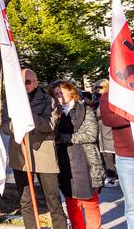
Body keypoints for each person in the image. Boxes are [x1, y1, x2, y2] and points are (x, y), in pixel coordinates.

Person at [0, 68, 68, 229]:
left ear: (36, 83)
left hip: (43, 154)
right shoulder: (9, 101)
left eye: (28, 82)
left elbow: (49, 125)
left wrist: (28, 114)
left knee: (52, 198)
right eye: (21, 82)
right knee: (25, 199)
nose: (24, 85)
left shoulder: (48, 100)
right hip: (20, 155)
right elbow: (4, 126)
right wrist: (14, 124)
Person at [49, 80, 103, 229]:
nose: (59, 96)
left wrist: (64, 138)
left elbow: (91, 135)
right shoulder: (54, 113)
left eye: (61, 92)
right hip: (64, 161)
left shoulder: (85, 110)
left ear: (71, 91)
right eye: (56, 94)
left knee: (90, 203)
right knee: (71, 203)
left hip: (84, 161)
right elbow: (51, 135)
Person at [100, 86, 134, 228]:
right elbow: (109, 119)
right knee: (132, 206)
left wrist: (125, 114)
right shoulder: (109, 96)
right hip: (126, 158)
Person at [95, 79, 118, 187]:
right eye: (96, 87)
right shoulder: (99, 99)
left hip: (109, 131)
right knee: (106, 155)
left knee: (112, 155)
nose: (97, 89)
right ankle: (111, 176)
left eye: (100, 87)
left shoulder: (111, 98)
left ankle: (112, 177)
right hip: (102, 132)